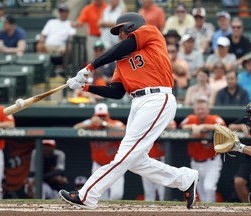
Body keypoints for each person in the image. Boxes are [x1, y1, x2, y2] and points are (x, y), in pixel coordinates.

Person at [59, 12, 199, 210]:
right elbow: (116, 92)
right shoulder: (122, 62)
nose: (120, 35)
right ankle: (184, 179)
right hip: (138, 102)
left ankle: (87, 195)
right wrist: (85, 88)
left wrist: (91, 66)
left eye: (122, 30)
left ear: (133, 27)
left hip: (157, 97)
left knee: (124, 155)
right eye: (117, 32)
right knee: (135, 160)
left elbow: (124, 47)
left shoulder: (150, 32)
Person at [73, 103, 126, 200]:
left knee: (117, 195)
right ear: (95, 116)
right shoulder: (91, 124)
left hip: (115, 165)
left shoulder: (114, 123)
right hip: (98, 165)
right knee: (101, 197)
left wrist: (104, 124)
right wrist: (90, 122)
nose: (101, 118)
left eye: (103, 116)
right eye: (99, 116)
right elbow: (75, 128)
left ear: (108, 115)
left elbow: (124, 130)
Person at [180, 98, 226, 202]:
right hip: (195, 162)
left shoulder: (214, 118)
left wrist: (202, 127)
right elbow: (182, 126)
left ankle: (211, 210)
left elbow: (222, 126)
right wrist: (194, 127)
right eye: (198, 109)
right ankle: (206, 211)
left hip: (211, 161)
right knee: (200, 190)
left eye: (203, 109)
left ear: (208, 110)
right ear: (195, 110)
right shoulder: (191, 118)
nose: (200, 111)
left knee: (209, 187)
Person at [141, 120, 177, 201]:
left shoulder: (165, 118)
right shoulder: (147, 118)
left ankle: (164, 213)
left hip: (161, 160)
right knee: (149, 192)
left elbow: (173, 126)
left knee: (162, 192)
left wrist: (156, 127)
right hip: (146, 161)